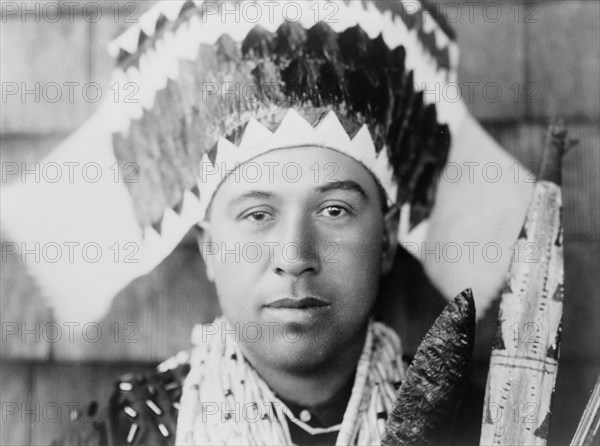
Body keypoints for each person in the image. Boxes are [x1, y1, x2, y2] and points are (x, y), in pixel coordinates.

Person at [52, 1, 486, 444]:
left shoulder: (473, 426)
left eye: (334, 210)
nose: (294, 257)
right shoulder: (119, 431)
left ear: (387, 240)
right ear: (210, 249)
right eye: (258, 214)